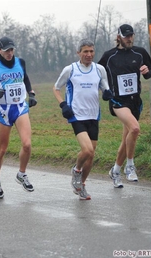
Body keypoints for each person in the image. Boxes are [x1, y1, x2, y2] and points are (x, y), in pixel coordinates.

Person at [53, 39, 113, 200]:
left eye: (91, 51)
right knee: (87, 150)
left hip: (93, 115)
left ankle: (81, 185)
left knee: (91, 155)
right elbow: (56, 88)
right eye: (85, 51)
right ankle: (76, 170)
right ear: (78, 52)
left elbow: (105, 87)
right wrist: (63, 104)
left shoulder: (99, 69)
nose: (89, 55)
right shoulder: (70, 69)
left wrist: (107, 93)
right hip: (76, 115)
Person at [98, 24, 151, 187]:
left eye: (131, 36)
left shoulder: (140, 52)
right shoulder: (109, 56)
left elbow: (150, 71)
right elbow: (98, 74)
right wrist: (104, 90)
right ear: (119, 36)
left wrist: (146, 71)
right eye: (126, 36)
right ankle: (130, 166)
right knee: (135, 129)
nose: (129, 39)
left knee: (126, 139)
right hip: (118, 102)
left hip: (135, 101)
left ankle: (115, 171)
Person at [0, 36, 37, 199]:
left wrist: (31, 94)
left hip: (20, 107)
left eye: (11, 50)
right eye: (6, 50)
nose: (9, 53)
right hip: (4, 111)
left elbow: (25, 78)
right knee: (2, 148)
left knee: (27, 144)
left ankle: (22, 174)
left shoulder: (21, 62)